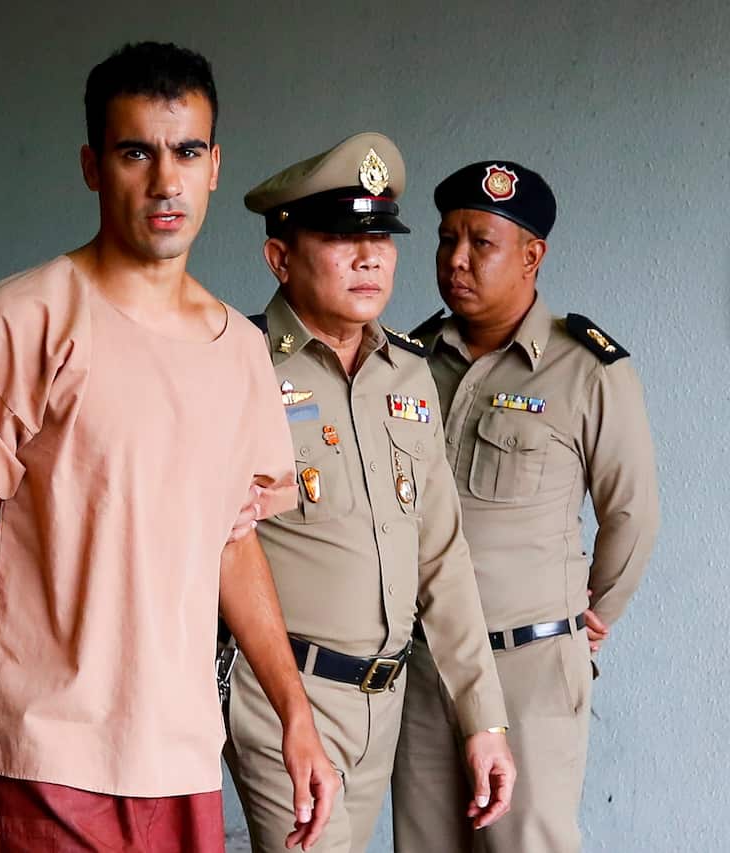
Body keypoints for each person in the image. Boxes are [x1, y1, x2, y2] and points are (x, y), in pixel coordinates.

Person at [0, 42, 340, 853]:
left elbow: (232, 540)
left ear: (215, 165)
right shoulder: (20, 321)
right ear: (91, 165)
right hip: (46, 756)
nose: (164, 180)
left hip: (182, 759)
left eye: (186, 152)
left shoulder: (241, 352)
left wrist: (295, 712)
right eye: (135, 151)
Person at [224, 133, 515, 853]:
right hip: (282, 691)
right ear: (280, 257)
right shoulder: (240, 366)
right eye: (340, 237)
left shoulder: (406, 373)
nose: (369, 257)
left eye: (382, 237)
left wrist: (484, 718)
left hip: (381, 699)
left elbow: (441, 552)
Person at [391, 160, 660, 853]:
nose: (456, 260)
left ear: (532, 255)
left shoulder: (586, 369)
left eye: (481, 242)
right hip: (427, 668)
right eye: (448, 239)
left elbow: (632, 512)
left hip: (530, 671)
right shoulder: (409, 362)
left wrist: (592, 614)